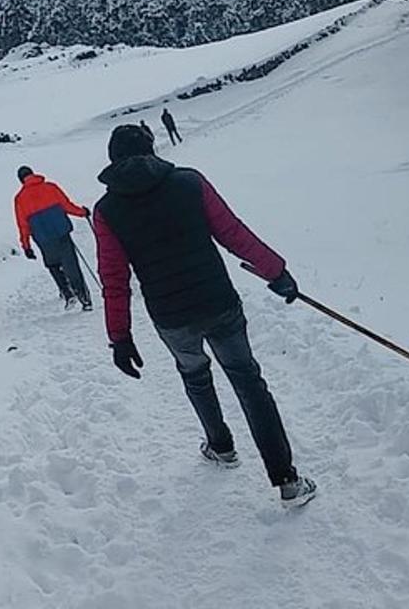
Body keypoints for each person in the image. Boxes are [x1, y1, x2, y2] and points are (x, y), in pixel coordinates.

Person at [91, 125, 316, 507]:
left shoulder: (107, 211)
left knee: (195, 376)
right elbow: (233, 233)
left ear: (113, 160)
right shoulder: (188, 182)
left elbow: (115, 280)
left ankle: (221, 447)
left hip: (171, 317)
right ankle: (286, 481)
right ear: (151, 149)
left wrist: (120, 337)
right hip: (218, 302)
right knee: (247, 381)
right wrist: (275, 272)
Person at [14, 165, 93, 311]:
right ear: (33, 174)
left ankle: (68, 294)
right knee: (72, 267)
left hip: (43, 239)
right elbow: (67, 206)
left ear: (21, 180)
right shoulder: (51, 187)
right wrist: (83, 212)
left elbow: (23, 225)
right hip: (62, 233)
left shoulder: (20, 199)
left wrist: (26, 246)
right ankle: (85, 299)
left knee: (52, 265)